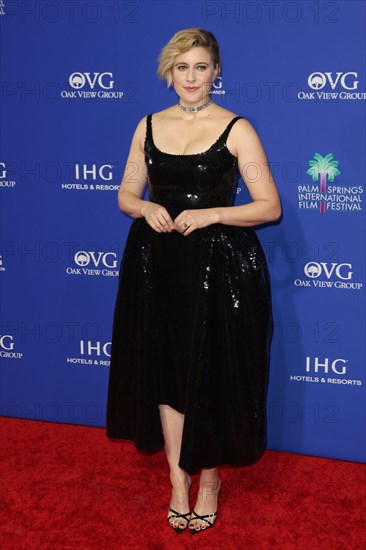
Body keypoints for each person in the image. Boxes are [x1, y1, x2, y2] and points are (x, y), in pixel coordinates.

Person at [106, 28, 281, 535]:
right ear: (169, 72)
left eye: (201, 67)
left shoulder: (237, 129)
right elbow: (125, 194)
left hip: (221, 266)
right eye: (182, 67)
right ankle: (177, 482)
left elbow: (269, 206)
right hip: (156, 264)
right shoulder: (147, 127)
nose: (191, 77)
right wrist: (147, 206)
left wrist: (212, 215)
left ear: (216, 72)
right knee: (166, 372)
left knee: (209, 372)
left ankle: (208, 482)